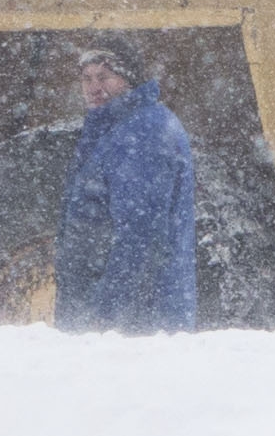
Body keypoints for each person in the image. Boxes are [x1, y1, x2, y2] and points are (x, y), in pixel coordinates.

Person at [55, 41, 198, 332]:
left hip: (133, 323)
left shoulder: (142, 133)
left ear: (129, 79)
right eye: (87, 78)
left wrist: (108, 313)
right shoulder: (115, 127)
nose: (94, 88)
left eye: (104, 77)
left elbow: (140, 235)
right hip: (118, 316)